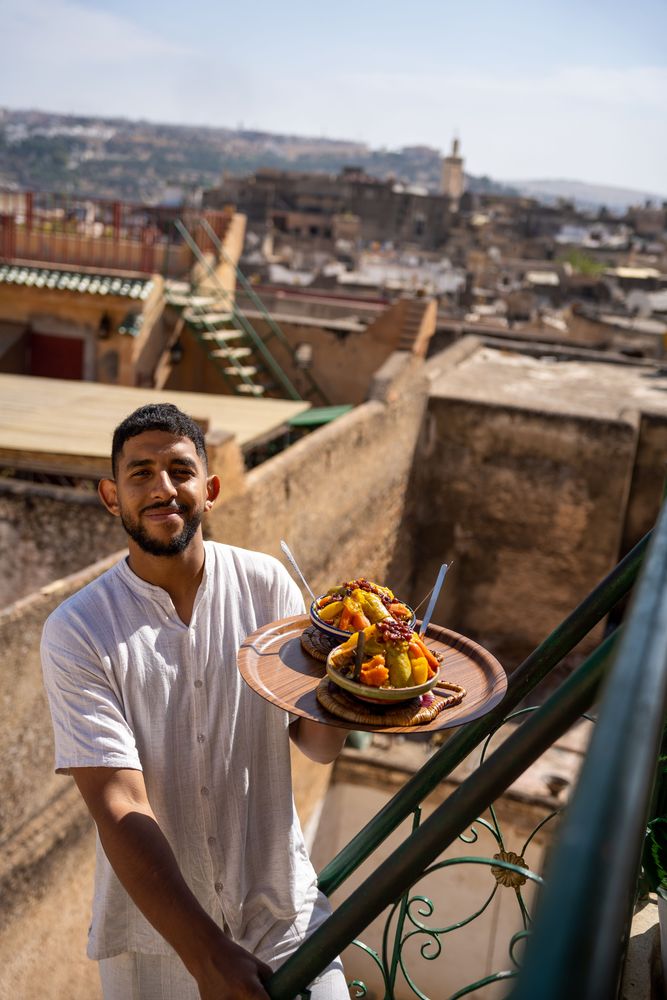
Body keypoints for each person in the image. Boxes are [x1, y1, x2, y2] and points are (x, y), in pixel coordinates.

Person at [41, 402, 350, 1000]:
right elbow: (119, 804)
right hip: (159, 949)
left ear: (208, 489)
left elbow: (318, 745)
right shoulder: (78, 630)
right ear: (112, 497)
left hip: (282, 917)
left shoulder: (268, 585)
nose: (163, 489)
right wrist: (208, 957)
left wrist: (348, 682)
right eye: (140, 474)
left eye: (180, 471)